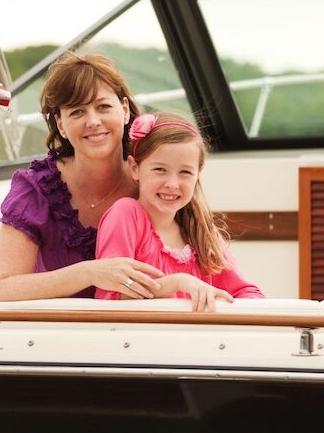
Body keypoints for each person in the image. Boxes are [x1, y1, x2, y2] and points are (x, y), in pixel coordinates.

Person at [0, 52, 164, 301]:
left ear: (124, 110)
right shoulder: (38, 190)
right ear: (60, 125)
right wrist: (90, 273)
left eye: (103, 107)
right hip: (60, 335)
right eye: (77, 112)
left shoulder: (155, 179)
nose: (93, 121)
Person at [95, 112, 264, 311]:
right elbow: (114, 295)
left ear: (197, 175)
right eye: (160, 169)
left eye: (185, 172)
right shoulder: (125, 214)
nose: (172, 184)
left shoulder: (201, 231)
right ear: (134, 168)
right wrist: (178, 282)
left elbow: (247, 293)